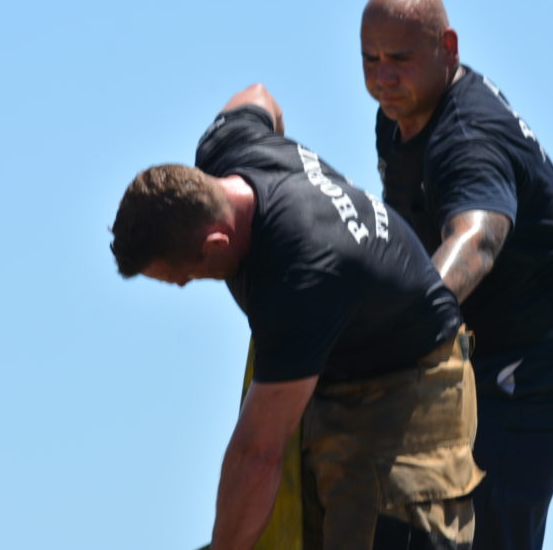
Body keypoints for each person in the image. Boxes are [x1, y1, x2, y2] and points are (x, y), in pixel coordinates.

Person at [109, 83, 483, 550]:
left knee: (379, 531)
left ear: (216, 243)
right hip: (336, 359)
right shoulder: (230, 148)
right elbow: (258, 96)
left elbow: (257, 452)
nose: (187, 285)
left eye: (185, 277)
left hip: (410, 383)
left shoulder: (301, 272)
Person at [360, 0, 553, 550]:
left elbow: (477, 239)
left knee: (483, 532)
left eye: (400, 58)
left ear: (447, 48)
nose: (383, 77)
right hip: (479, 359)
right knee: (396, 521)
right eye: (370, 59)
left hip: (542, 368)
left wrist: (399, 326)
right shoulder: (399, 114)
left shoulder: (467, 139)